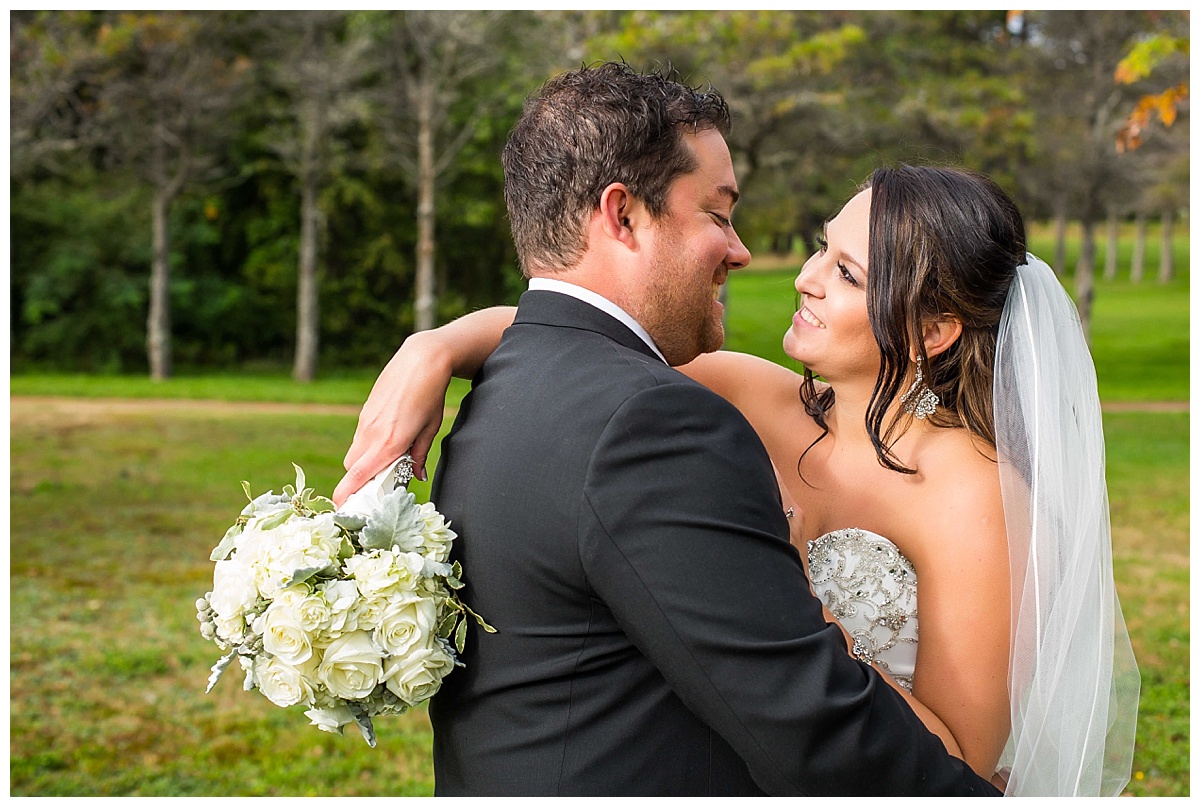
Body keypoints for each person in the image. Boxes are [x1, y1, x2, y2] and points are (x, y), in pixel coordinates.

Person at [336, 154, 1141, 795]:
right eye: (823, 246)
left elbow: (955, 763)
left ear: (933, 329)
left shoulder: (979, 499)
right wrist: (435, 347)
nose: (805, 276)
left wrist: (793, 594)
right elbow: (577, 342)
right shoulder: (755, 393)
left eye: (848, 273)